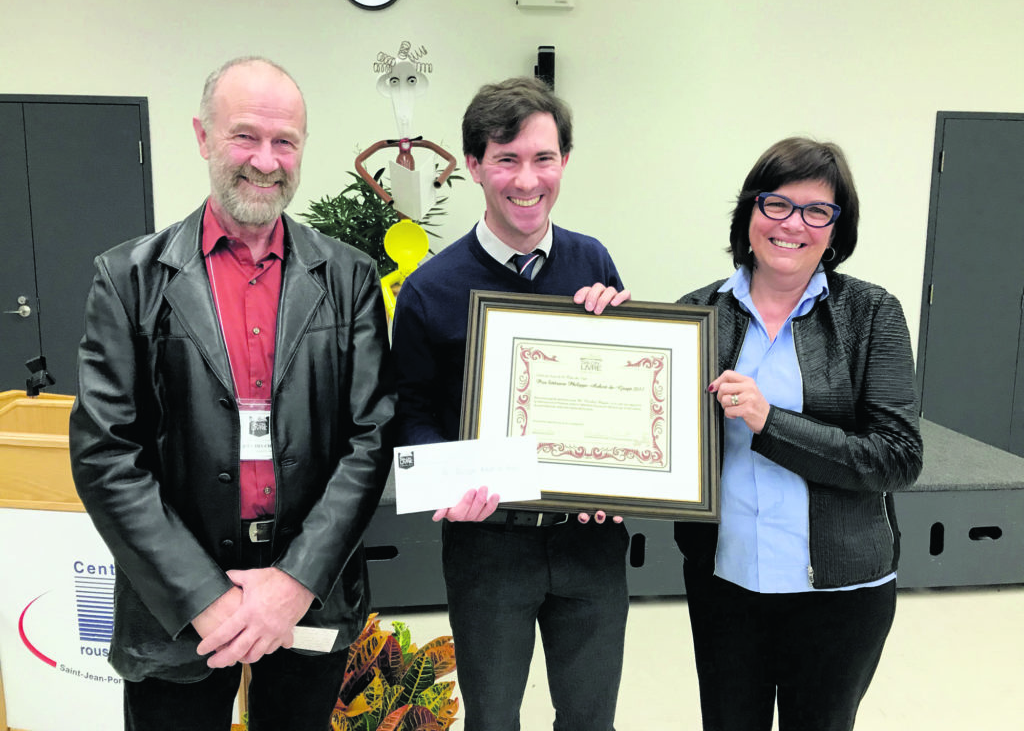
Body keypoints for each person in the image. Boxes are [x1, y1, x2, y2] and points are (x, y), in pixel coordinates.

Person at [69, 56, 395, 731]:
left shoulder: (350, 278)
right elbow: (106, 454)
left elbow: (370, 439)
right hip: (174, 606)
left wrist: (295, 582)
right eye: (245, 136)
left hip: (309, 595)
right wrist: (202, 595)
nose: (266, 161)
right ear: (202, 136)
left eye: (285, 142)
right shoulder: (128, 279)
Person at [390, 76, 630, 731]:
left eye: (543, 158)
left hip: (590, 542)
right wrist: (448, 479)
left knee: (591, 721)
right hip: (488, 547)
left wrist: (625, 472)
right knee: (492, 720)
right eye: (506, 159)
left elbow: (620, 393)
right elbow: (411, 412)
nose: (527, 180)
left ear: (565, 161)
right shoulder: (429, 290)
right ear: (474, 165)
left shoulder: (593, 261)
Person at [675, 136, 924, 730]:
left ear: (836, 229)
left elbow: (897, 458)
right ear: (750, 213)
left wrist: (771, 423)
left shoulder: (871, 313)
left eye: (817, 211)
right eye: (777, 204)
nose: (793, 224)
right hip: (725, 582)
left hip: (841, 593)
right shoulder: (696, 312)